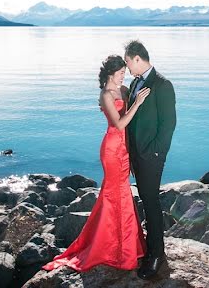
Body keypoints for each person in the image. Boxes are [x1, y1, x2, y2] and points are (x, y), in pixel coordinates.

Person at [42, 55, 151, 273]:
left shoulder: (124, 90)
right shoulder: (106, 95)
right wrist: (137, 103)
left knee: (123, 194)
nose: (123, 76)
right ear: (111, 73)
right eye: (121, 73)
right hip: (111, 149)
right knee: (113, 194)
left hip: (124, 149)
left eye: (124, 73)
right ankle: (113, 248)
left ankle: (126, 245)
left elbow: (130, 126)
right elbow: (119, 124)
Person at [124, 39, 177, 280]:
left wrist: (155, 152)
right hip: (137, 155)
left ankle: (156, 255)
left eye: (128, 62)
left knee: (151, 202)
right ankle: (150, 246)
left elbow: (169, 124)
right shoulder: (135, 82)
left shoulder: (163, 85)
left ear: (137, 58)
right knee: (146, 199)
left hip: (151, 156)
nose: (127, 68)